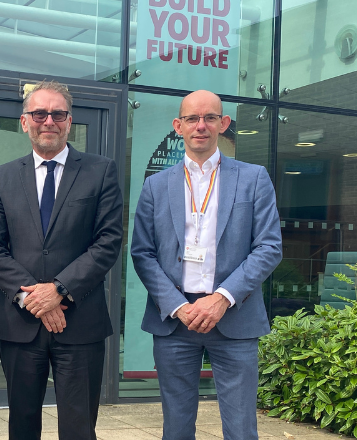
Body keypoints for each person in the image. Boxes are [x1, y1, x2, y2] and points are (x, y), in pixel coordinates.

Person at [130, 90, 282, 439]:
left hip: (234, 318)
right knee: (177, 426)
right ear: (178, 126)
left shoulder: (254, 178)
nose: (201, 126)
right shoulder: (155, 185)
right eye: (192, 119)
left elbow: (269, 247)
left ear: (223, 124)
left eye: (210, 118)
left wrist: (223, 297)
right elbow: (142, 253)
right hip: (175, 323)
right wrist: (178, 306)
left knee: (242, 427)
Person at [0, 80, 124, 440]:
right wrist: (33, 298)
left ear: (69, 121)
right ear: (24, 121)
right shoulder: (4, 176)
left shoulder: (100, 170)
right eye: (39, 113)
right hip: (21, 322)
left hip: (81, 323)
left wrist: (59, 290)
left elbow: (108, 241)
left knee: (78, 428)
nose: (49, 121)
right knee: (22, 425)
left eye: (57, 113)